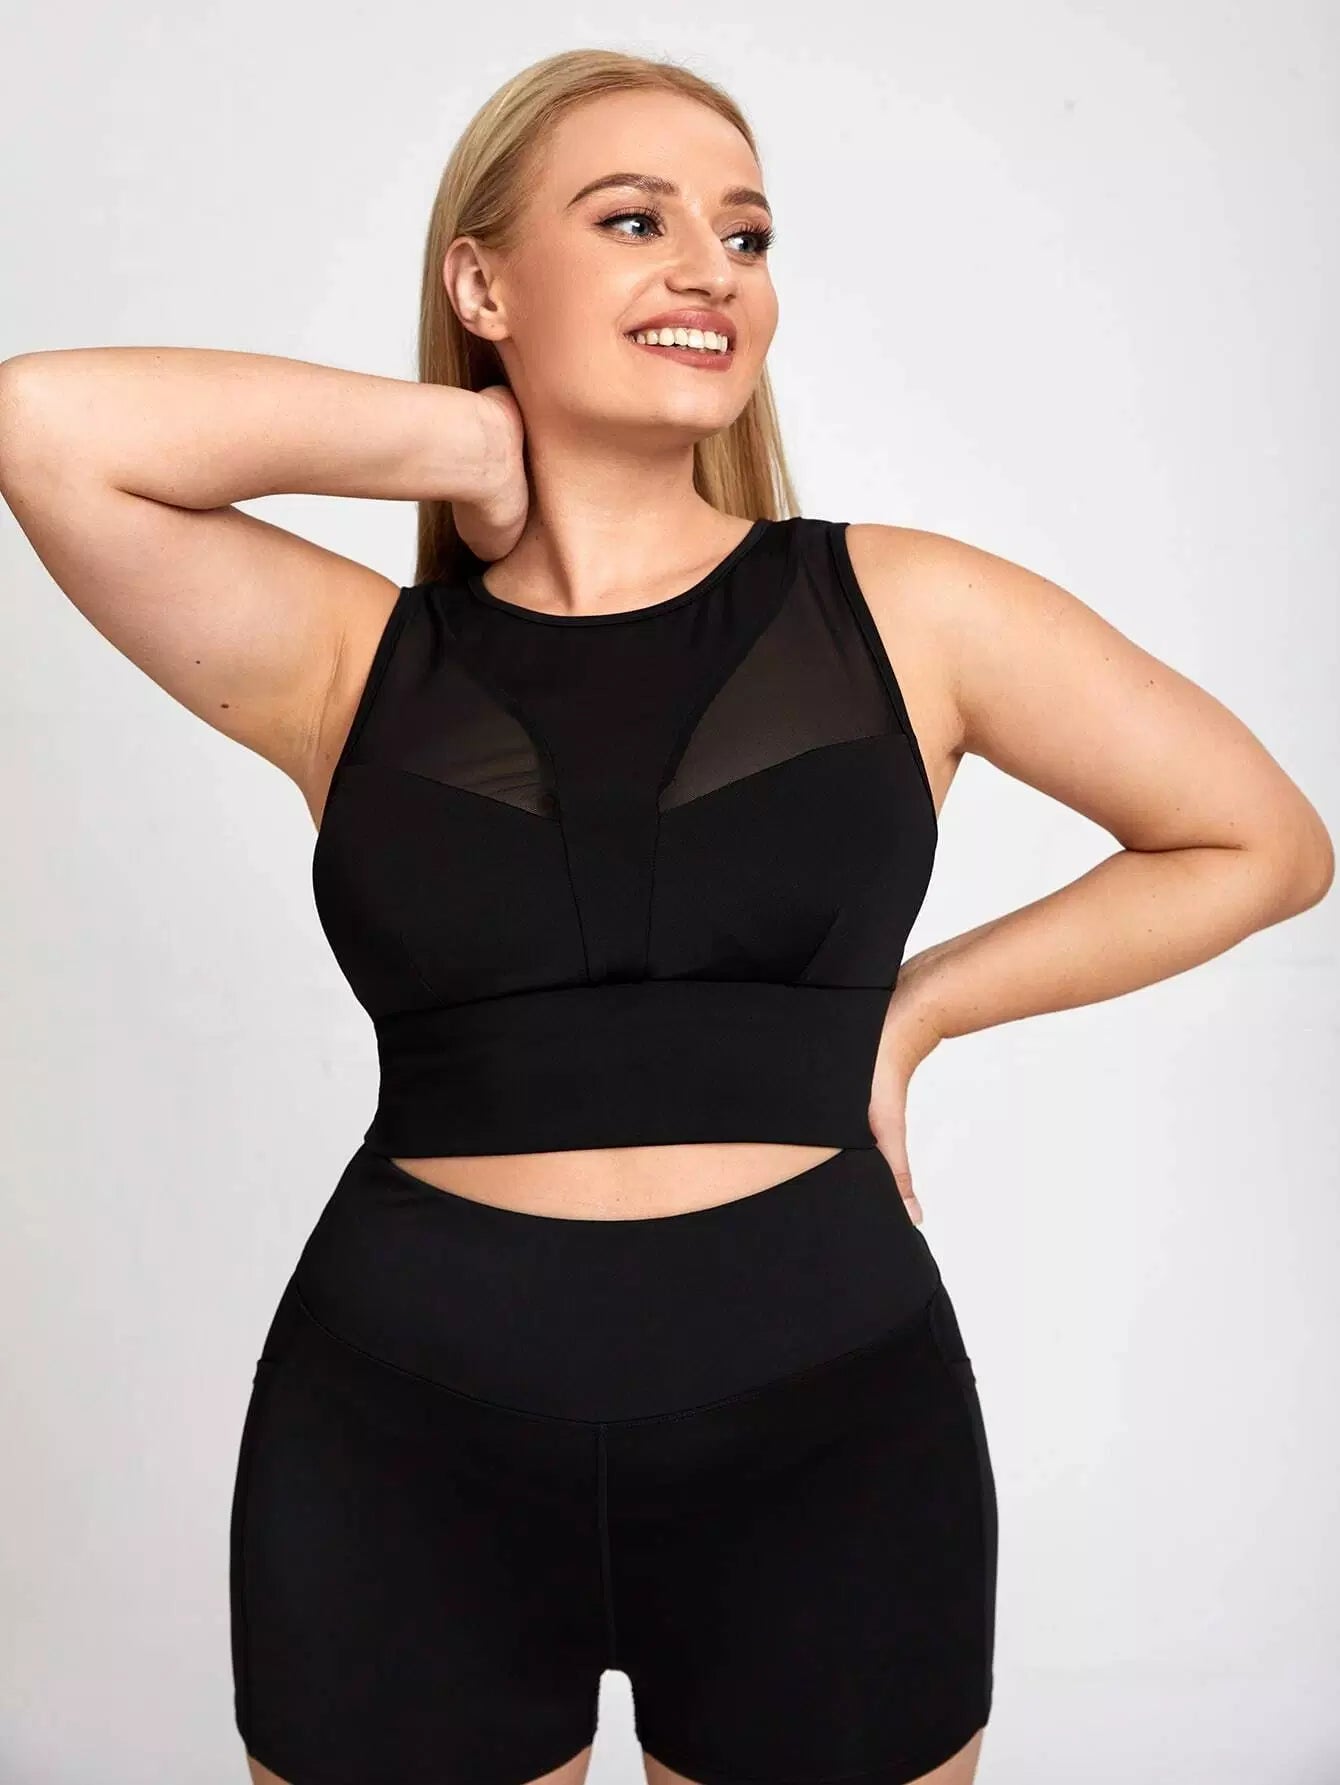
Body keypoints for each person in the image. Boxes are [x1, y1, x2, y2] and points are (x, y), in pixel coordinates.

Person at [0, 44, 1331, 1785]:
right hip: (400, 1439)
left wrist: (920, 1007)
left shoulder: (902, 607)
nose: (712, 268)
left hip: (830, 1429)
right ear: (483, 282)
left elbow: (1259, 839)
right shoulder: (352, 657)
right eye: (636, 220)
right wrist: (460, 441)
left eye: (747, 235)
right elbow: (46, 426)